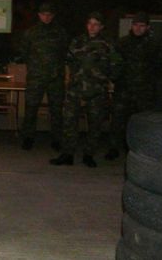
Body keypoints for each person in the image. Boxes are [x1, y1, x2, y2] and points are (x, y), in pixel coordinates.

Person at [50, 12, 121, 168]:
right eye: (90, 23)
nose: (92, 27)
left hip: (96, 90)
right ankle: (67, 154)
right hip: (75, 89)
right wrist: (71, 79)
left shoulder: (108, 44)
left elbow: (116, 65)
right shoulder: (77, 41)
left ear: (101, 27)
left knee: (95, 123)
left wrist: (107, 80)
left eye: (96, 24)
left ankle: (89, 155)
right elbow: (68, 61)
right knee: (69, 122)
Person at [106, 12, 161, 160]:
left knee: (142, 122)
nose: (138, 28)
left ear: (147, 27)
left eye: (142, 26)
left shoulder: (153, 45)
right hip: (124, 89)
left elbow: (159, 68)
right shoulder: (122, 43)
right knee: (118, 120)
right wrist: (114, 79)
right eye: (136, 25)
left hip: (144, 91)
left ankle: (139, 150)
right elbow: (114, 63)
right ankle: (113, 148)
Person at [19, 3, 68, 151]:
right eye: (44, 14)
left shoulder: (60, 33)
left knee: (56, 110)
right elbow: (24, 53)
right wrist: (35, 67)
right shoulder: (31, 33)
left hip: (55, 77)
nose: (46, 17)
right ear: (39, 15)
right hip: (36, 77)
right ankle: (28, 138)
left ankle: (57, 139)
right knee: (31, 108)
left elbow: (65, 53)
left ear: (53, 16)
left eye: (49, 14)